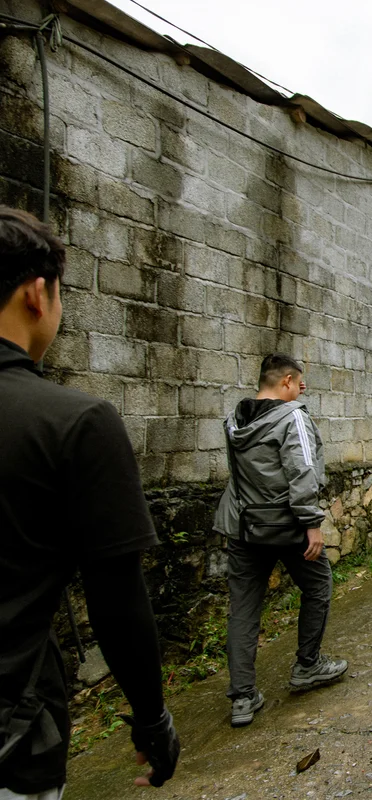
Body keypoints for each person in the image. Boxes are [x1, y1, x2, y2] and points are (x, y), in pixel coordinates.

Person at [0, 207, 179, 795]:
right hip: (14, 730)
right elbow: (116, 597)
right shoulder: (75, 423)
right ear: (36, 293)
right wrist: (151, 718)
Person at [212, 354, 347, 728]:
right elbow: (301, 470)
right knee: (318, 585)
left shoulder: (235, 421)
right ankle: (307, 665)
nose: (302, 388)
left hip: (243, 528)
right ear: (286, 380)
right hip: (286, 526)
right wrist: (312, 523)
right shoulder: (293, 418)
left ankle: (242, 697)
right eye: (298, 382)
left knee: (243, 609)